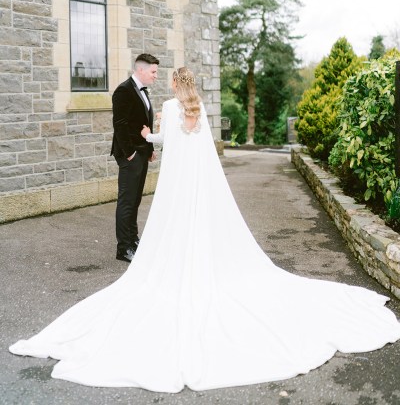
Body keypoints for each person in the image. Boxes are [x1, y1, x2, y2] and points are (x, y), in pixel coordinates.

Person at [9, 67, 400, 392]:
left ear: (175, 87)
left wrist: (148, 135)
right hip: (200, 187)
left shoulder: (165, 105)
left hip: (176, 189)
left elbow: (167, 140)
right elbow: (193, 142)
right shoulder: (200, 109)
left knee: (169, 232)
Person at [110, 53, 159, 262]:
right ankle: (123, 248)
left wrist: (149, 149)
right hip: (129, 155)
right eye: (153, 71)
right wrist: (130, 152)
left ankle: (133, 239)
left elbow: (141, 123)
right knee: (127, 201)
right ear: (141, 69)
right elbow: (119, 125)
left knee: (136, 199)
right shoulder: (123, 90)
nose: (156, 76)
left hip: (141, 152)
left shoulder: (143, 91)